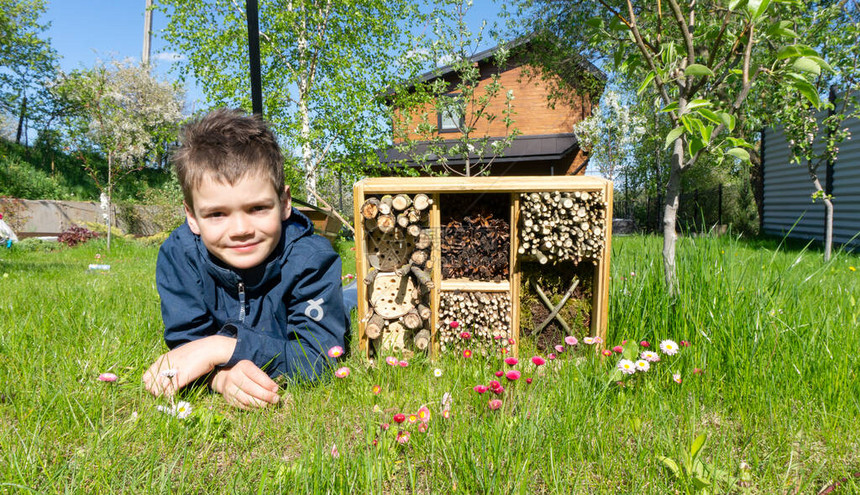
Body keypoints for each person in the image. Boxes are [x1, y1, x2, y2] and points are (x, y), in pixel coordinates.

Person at [143, 109, 349, 409]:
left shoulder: (314, 261)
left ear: (285, 203)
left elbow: (319, 358)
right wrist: (220, 378)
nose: (240, 230)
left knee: (349, 302)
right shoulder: (178, 256)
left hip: (327, 296)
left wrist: (221, 348)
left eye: (257, 209)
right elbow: (187, 347)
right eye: (216, 214)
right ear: (192, 217)